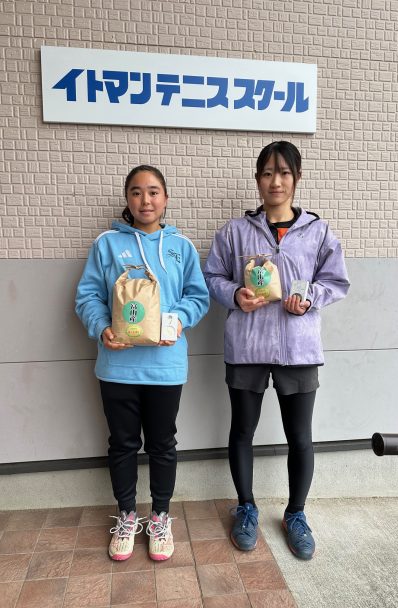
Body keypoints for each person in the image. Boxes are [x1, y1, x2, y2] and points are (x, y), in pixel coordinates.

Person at [204, 141, 350, 560]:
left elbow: (336, 281)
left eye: (284, 173)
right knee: (242, 431)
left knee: (300, 437)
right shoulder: (235, 231)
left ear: (297, 178)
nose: (276, 181)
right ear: (258, 180)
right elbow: (212, 276)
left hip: (299, 349)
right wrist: (235, 295)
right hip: (247, 346)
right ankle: (246, 508)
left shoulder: (318, 232)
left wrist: (310, 298)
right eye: (267, 173)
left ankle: (296, 514)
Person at [76, 165, 209, 562]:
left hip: (166, 367)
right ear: (127, 199)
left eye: (153, 192)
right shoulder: (107, 245)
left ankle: (161, 517)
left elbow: (197, 296)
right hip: (117, 367)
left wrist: (178, 319)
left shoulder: (181, 246)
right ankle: (127, 515)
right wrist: (102, 328)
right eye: (136, 192)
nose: (145, 200)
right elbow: (88, 296)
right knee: (122, 444)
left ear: (165, 199)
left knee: (163, 444)